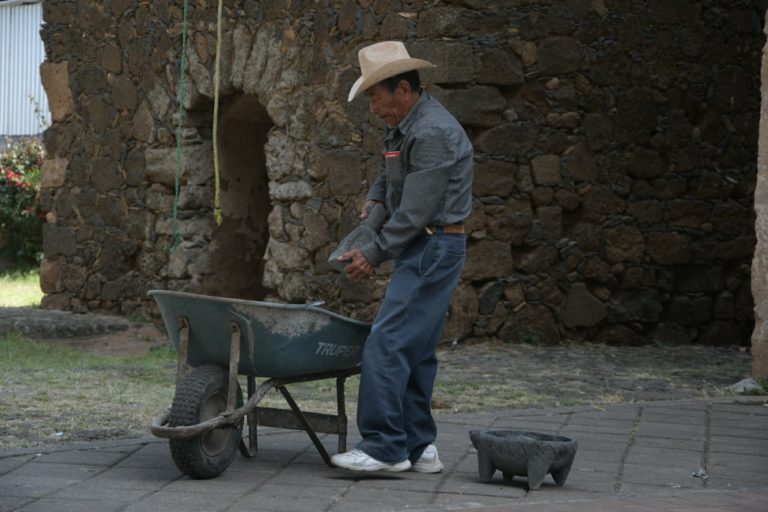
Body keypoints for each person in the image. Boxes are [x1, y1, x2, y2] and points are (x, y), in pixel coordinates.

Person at [330, 41, 474, 473]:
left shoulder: (431, 132)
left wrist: (372, 252)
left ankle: (384, 447)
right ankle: (418, 444)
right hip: (424, 245)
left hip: (433, 246)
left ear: (404, 89)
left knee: (387, 343)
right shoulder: (404, 125)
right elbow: (387, 176)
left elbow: (415, 211)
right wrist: (373, 207)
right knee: (416, 347)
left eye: (376, 96)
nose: (373, 108)